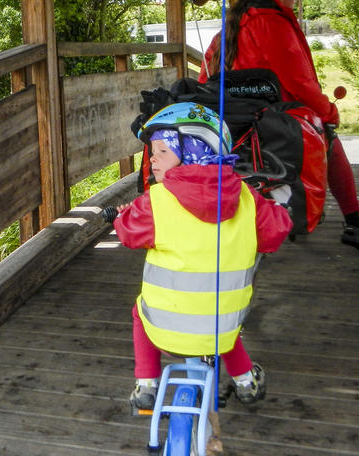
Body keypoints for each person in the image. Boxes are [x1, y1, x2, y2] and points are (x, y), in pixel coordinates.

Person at [112, 102, 292, 412]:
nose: (152, 158)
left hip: (163, 326)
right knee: (220, 320)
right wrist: (278, 211)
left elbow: (129, 233)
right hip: (222, 324)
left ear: (193, 150)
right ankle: (245, 380)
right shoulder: (248, 199)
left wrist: (122, 216)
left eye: (162, 151)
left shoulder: (155, 201)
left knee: (140, 313)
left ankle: (146, 384)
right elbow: (274, 234)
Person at [199, 0, 359, 255]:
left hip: (237, 119)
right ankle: (354, 225)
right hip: (278, 118)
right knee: (331, 145)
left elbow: (206, 75)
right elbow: (298, 80)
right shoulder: (271, 20)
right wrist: (328, 112)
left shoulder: (233, 25)